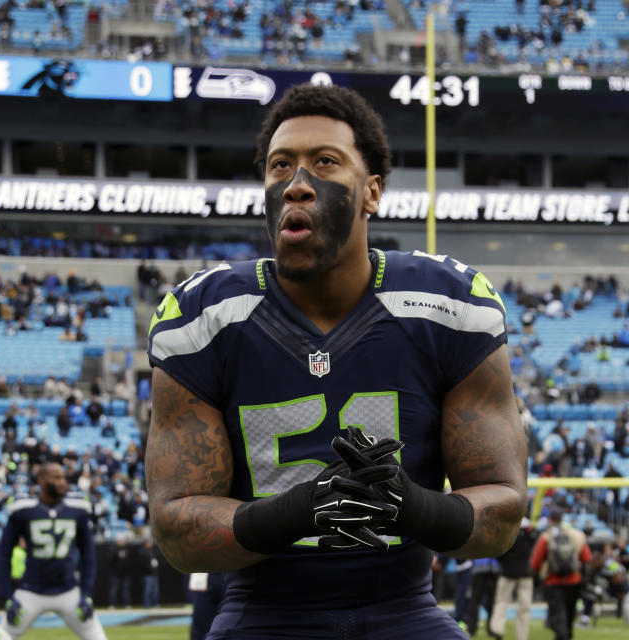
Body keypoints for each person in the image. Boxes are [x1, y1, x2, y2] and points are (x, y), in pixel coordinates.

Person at [144, 83, 528, 639]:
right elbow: (177, 532)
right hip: (265, 614)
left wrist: (411, 506)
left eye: (325, 162)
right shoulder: (206, 317)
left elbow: (504, 513)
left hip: (405, 608)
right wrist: (297, 512)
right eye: (280, 167)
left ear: (372, 191)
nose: (297, 185)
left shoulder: (446, 305)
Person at [0, 462, 107, 640]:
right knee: (0, 636)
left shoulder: (76, 509)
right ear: (41, 480)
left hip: (68, 591)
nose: (63, 482)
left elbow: (88, 553)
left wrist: (86, 593)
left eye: (63, 477)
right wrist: (7, 596)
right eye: (56, 478)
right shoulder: (24, 510)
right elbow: (3, 553)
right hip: (31, 591)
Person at [530, 509, 591, 640]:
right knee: (568, 618)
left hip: (553, 582)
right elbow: (586, 558)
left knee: (557, 618)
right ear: (562, 518)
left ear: (550, 519)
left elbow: (535, 563)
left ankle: (561, 635)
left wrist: (538, 579)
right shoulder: (577, 535)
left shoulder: (546, 536)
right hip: (573, 582)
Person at [489, 518, 536, 640]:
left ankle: (497, 629)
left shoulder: (507, 534)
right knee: (524, 608)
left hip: (507, 573)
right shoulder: (529, 534)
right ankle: (522, 636)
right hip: (525, 574)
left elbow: (499, 553)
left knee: (501, 602)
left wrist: (506, 563)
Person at [108, 534, 131, 608]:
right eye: (120, 540)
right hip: (115, 575)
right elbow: (110, 561)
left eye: (122, 540)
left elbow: (129, 562)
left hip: (125, 574)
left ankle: (127, 604)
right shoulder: (113, 549)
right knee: (114, 590)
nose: (122, 542)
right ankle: (112, 604)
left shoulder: (126, 550)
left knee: (125, 591)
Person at [139, 537, 161, 608]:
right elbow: (142, 564)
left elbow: (157, 560)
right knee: (147, 590)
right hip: (147, 574)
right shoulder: (143, 551)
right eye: (148, 542)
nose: (150, 544)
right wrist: (149, 569)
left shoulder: (154, 550)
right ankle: (147, 604)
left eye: (150, 542)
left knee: (155, 590)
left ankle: (155, 604)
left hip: (154, 574)